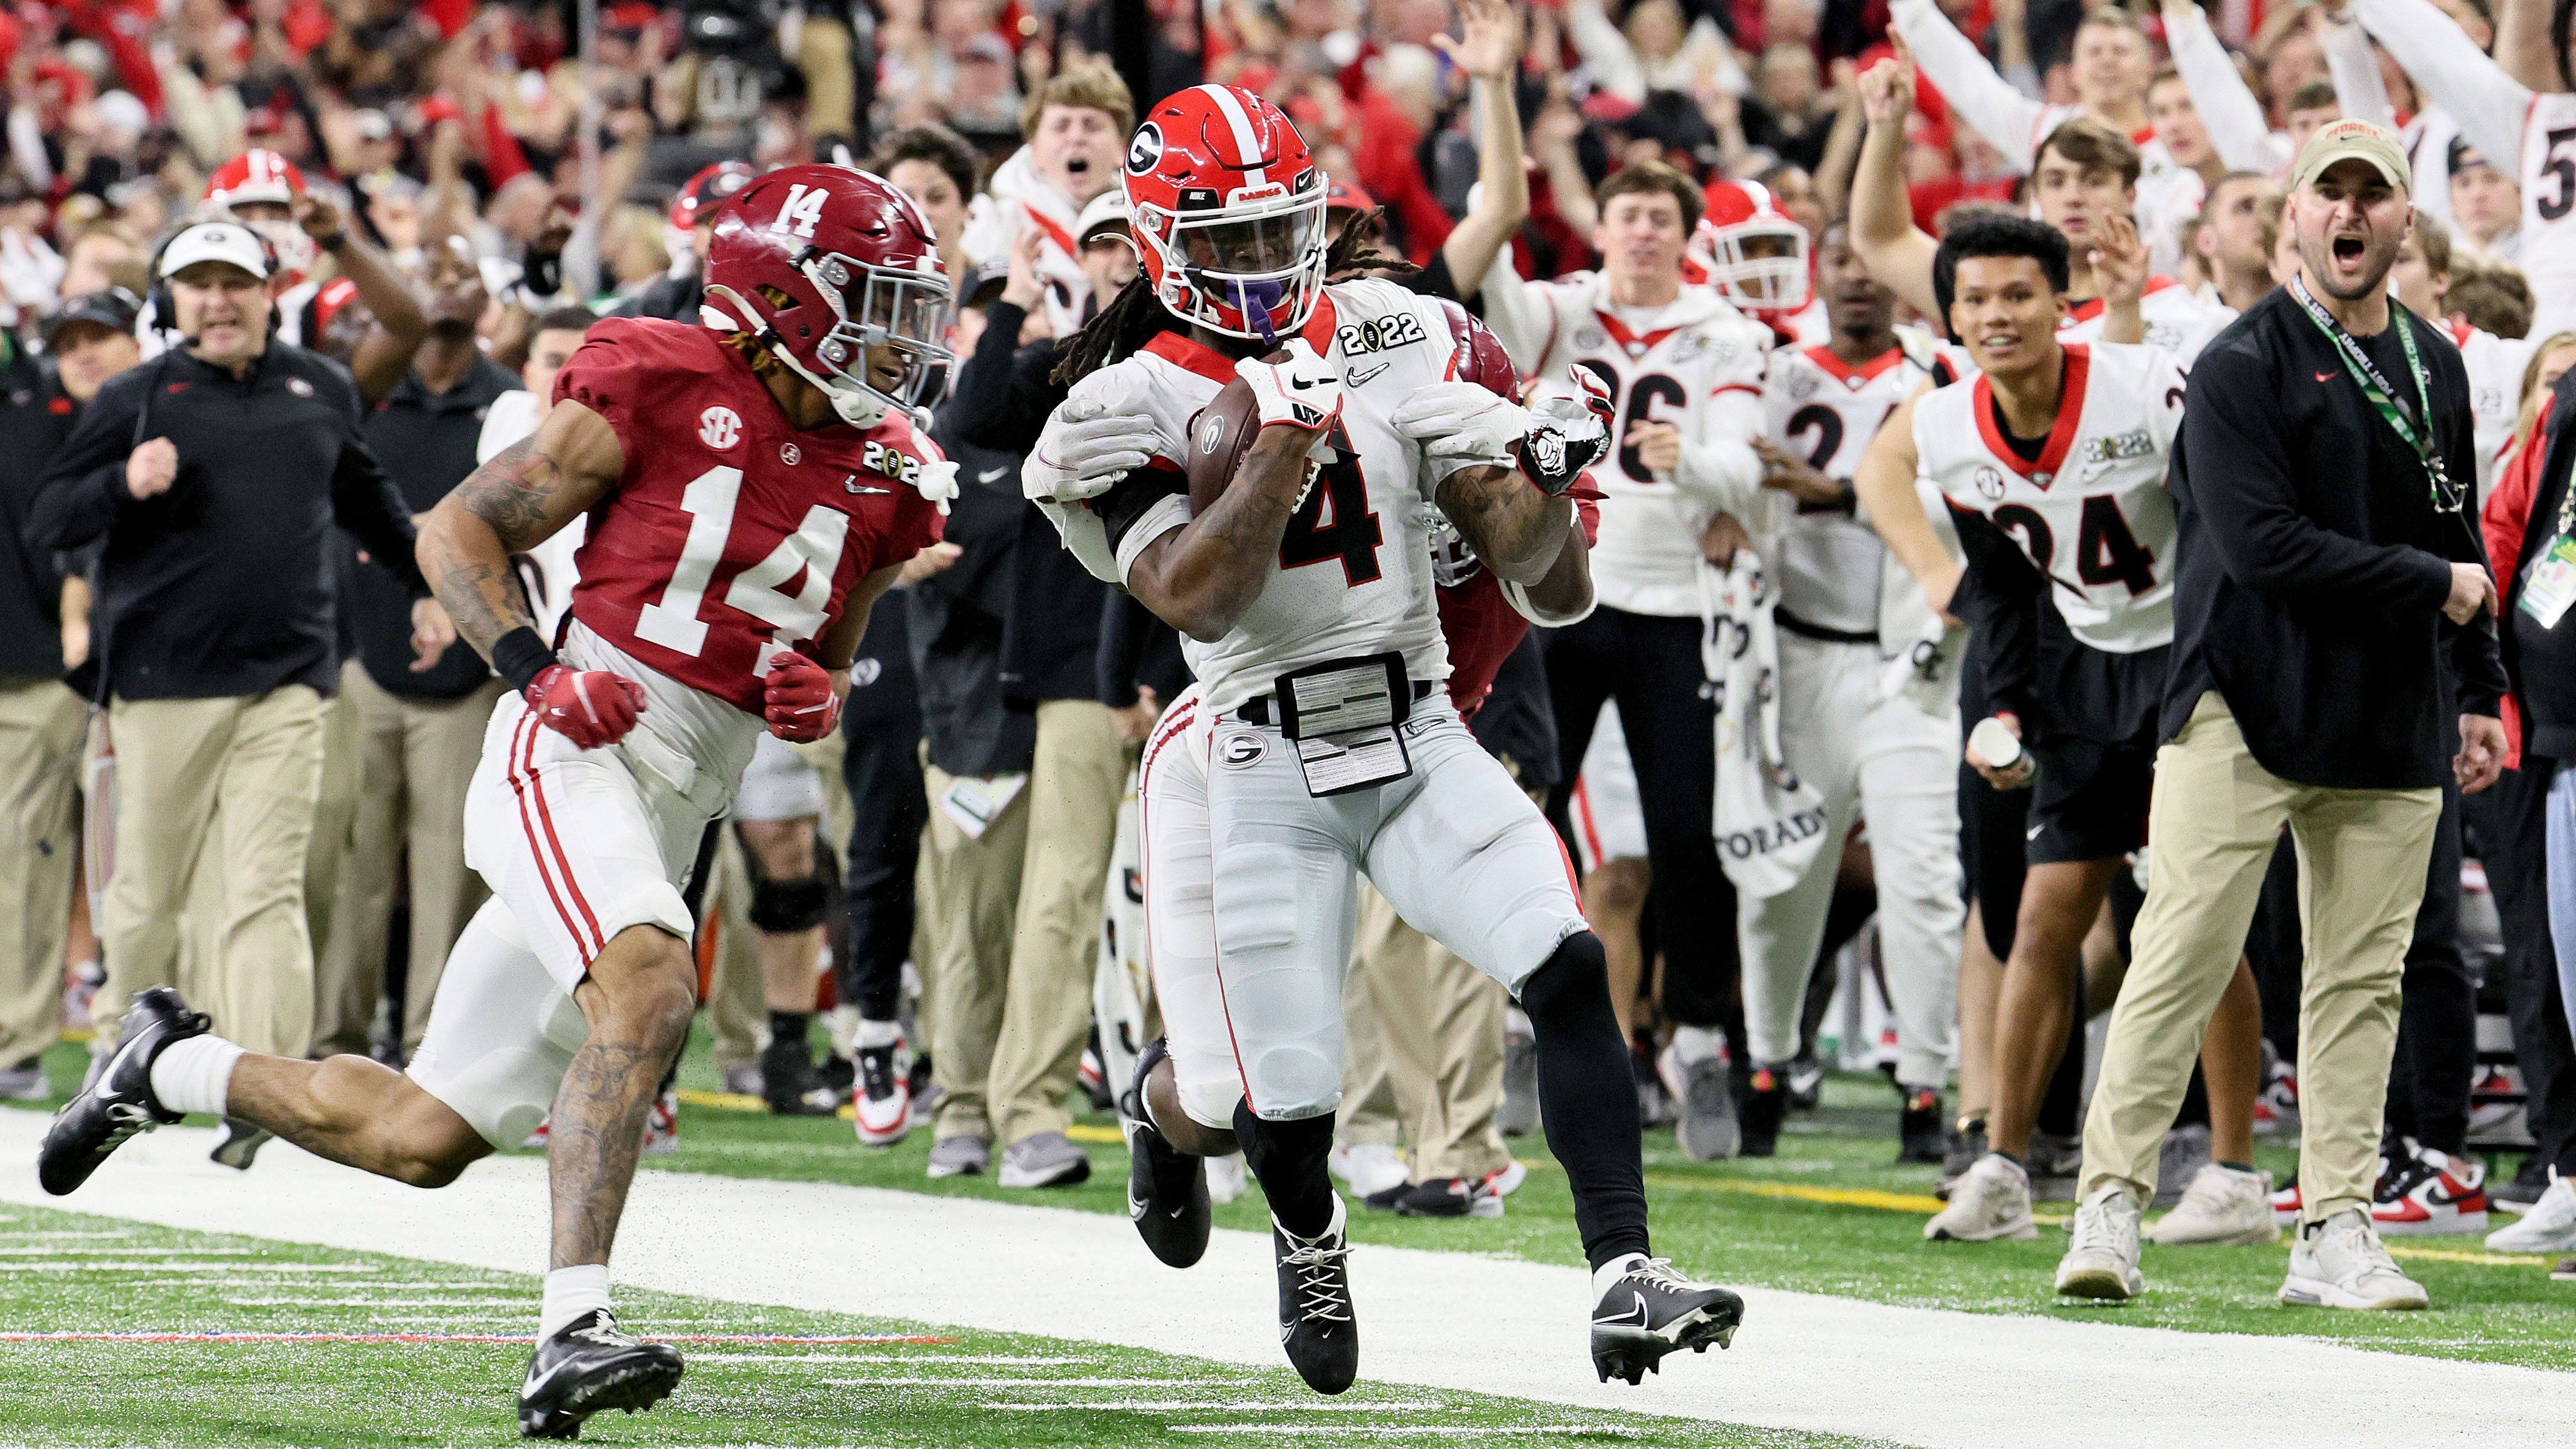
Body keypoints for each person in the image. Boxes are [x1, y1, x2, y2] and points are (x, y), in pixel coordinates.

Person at [34, 166, 952, 1436]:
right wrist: (534, 669)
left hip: (686, 788)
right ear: (780, 294)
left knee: (423, 1136)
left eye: (912, 307)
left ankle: (171, 1064)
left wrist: (822, 688)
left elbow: (829, 644)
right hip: (575, 743)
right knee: (652, 984)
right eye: (873, 302)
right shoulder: (662, 376)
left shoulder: (888, 466)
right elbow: (455, 532)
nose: (901, 337)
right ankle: (570, 1333)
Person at [1029, 84, 1741, 1393]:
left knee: (1568, 962)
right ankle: (1293, 1221)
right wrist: (1289, 439)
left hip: (1417, 729)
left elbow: (1555, 591)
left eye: (1274, 229)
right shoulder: (1112, 405)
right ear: (1157, 238)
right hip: (1256, 754)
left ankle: (1622, 1273)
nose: (1256, 262)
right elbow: (1199, 592)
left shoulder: (1398, 328)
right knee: (1284, 1105)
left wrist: (1543, 477)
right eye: (1223, 236)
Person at [2054, 120, 2508, 1309]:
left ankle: (2334, 1228)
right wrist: (2434, 590)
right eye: (2327, 194)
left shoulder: (2435, 364)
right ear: (2288, 220)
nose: (2349, 214)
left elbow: (2455, 532)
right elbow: (2263, 550)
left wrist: (2479, 689)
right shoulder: (2238, 362)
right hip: (2239, 701)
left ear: (2404, 222)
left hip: (2391, 711)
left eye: (2374, 195)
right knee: (2183, 950)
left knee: (2361, 979)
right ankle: (2110, 1199)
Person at [27, 222, 452, 1120]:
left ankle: (262, 1086)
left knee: (265, 885)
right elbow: (50, 519)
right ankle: (124, 1058)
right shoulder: (138, 398)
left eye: (234, 281)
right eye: (197, 284)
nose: (217, 299)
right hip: (159, 677)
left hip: (288, 679)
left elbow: (369, 505)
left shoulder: (320, 386)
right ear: (169, 302)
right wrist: (120, 486)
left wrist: (429, 587)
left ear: (270, 289)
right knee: (149, 886)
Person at [1470, 156, 1777, 1161]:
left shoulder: (1724, 331)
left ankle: (1695, 1041)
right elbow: (1483, 282)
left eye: (1659, 216)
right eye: (1627, 213)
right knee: (1528, 813)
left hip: (1673, 606)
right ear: (1598, 225)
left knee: (1691, 833)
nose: (1642, 230)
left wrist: (1686, 462)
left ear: (1685, 234)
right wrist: (1502, 179)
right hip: (1559, 591)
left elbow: (1743, 466)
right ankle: (1524, 1019)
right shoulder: (1563, 311)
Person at [1904, 211, 2190, 1245]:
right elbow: (2003, 583)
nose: (1996, 315)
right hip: (2077, 669)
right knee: (2041, 921)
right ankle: (2006, 1166)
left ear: (2060, 303)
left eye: (2018, 293)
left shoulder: (2139, 383)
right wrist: (2010, 703)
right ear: (1949, 315)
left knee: (2196, 916)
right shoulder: (1942, 425)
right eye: (1975, 299)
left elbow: (2213, 529)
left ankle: (2238, 1165)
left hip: (2182, 659)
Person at [1736, 222, 1962, 1163]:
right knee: (1781, 879)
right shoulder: (1770, 370)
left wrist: (1829, 493)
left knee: (1922, 879)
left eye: (1872, 263)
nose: (1858, 278)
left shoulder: (1940, 379)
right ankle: (1765, 1061)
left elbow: (1959, 494)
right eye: (1841, 262)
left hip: (1917, 659)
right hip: (1799, 655)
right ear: (1816, 273)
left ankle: (1924, 1083)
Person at [312, 240, 518, 1072]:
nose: (445, 287)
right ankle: (333, 1040)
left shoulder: (507, 407)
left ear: (489, 301)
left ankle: (435, 1049)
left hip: (467, 670)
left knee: (448, 871)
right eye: (430, 270)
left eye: (463, 274)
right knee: (352, 864)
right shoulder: (364, 393)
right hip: (362, 652)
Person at [0, 303, 87, 1102]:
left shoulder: (46, 397)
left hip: (29, 662)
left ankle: (18, 1036)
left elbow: (70, 530)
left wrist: (70, 621)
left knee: (22, 851)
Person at [960, 62, 1133, 338]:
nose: (1076, 138)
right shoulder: (996, 222)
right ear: (1035, 151)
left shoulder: (1147, 221)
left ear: (1121, 149)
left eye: (1092, 126)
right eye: (1061, 126)